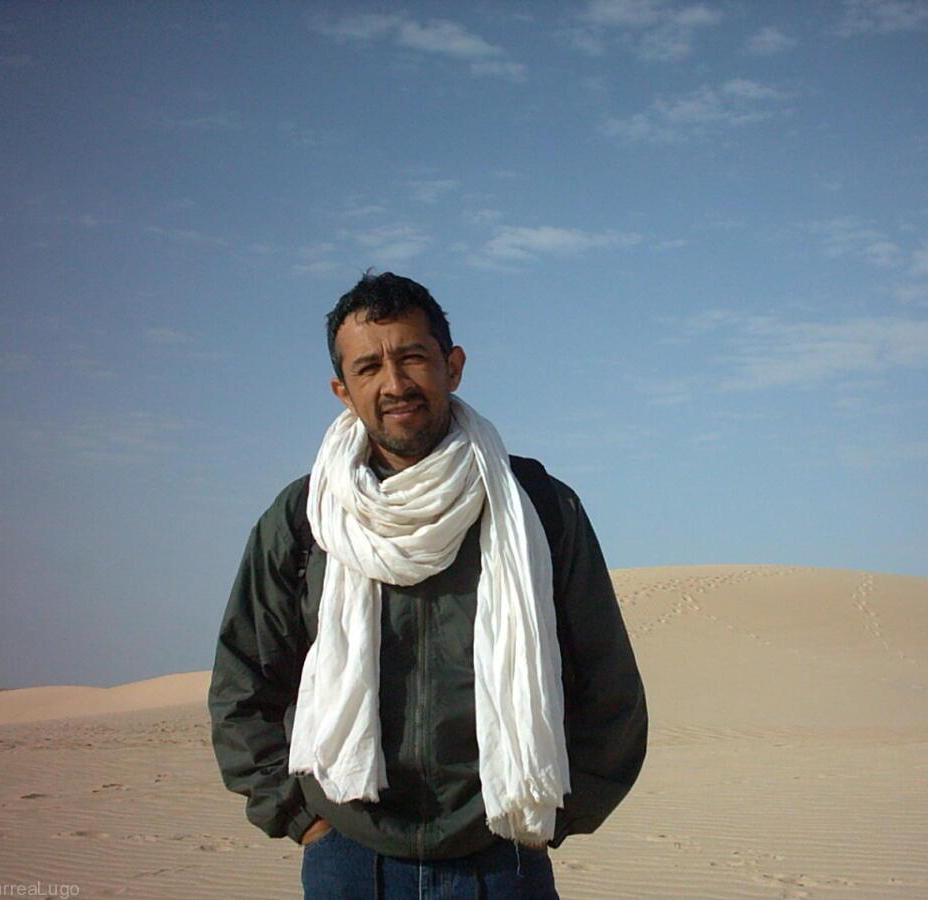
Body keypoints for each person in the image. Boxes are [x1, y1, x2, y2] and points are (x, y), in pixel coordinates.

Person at [209, 271, 648, 899]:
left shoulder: (537, 508)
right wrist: (302, 820)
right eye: (368, 368)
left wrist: (551, 818)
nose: (394, 384)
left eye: (413, 357)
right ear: (343, 391)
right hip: (348, 858)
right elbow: (243, 682)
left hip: (501, 856)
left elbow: (609, 688)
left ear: (453, 366)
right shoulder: (306, 518)